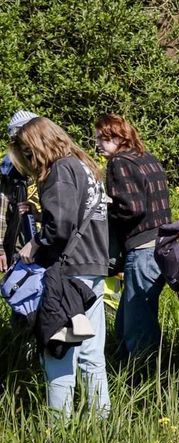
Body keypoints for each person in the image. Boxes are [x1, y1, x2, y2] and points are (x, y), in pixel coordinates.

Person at [8, 117, 111, 417]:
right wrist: (42, 217)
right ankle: (101, 422)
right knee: (92, 354)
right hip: (92, 267)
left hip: (67, 272)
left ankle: (60, 429)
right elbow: (76, 217)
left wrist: (35, 242)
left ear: (38, 144)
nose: (29, 159)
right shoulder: (84, 165)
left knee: (58, 352)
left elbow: (61, 228)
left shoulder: (60, 170)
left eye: (28, 152)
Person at [94, 114, 171, 358]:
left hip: (142, 249)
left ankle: (145, 378)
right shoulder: (146, 158)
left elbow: (132, 208)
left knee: (138, 327)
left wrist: (102, 208)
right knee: (129, 321)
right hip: (162, 246)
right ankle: (131, 368)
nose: (97, 144)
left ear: (118, 137)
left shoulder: (120, 163)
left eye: (102, 139)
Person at [1, 110, 39, 274]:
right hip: (22, 243)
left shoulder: (59, 161)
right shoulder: (10, 167)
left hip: (55, 243)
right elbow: (2, 210)